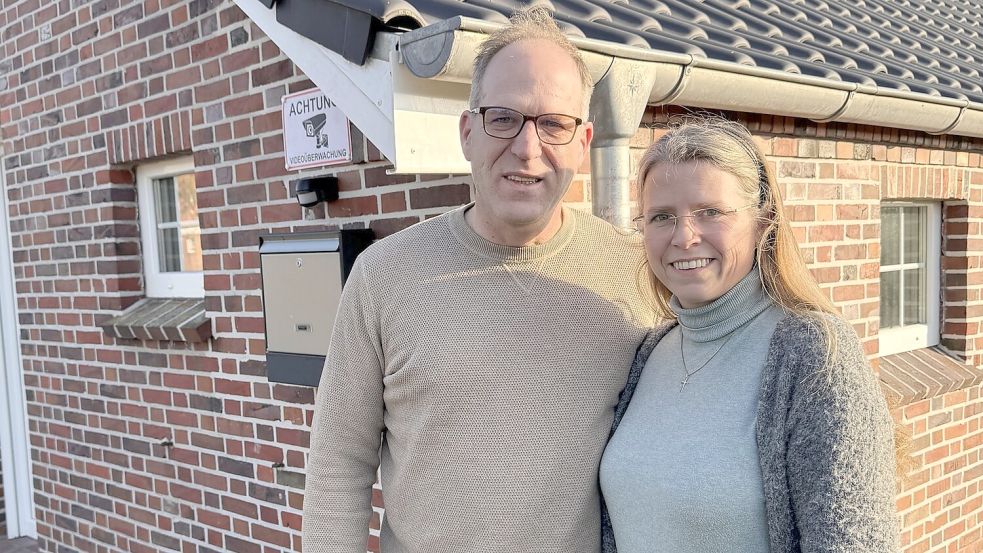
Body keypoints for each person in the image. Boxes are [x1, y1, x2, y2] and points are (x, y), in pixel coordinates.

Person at [302, 8, 652, 553]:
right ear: (468, 132)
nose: (528, 149)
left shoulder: (632, 277)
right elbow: (338, 467)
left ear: (584, 143)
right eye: (504, 118)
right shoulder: (384, 277)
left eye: (554, 124)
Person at [599, 117, 900, 553]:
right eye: (662, 216)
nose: (684, 236)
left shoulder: (813, 352)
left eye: (710, 212)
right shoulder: (650, 352)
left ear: (763, 221)